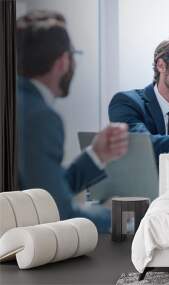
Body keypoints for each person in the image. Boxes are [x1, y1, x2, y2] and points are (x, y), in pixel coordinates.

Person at [16, 10, 129, 232]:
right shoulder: (40, 117)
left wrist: (96, 155)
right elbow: (60, 216)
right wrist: (131, 220)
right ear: (63, 61)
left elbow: (44, 197)